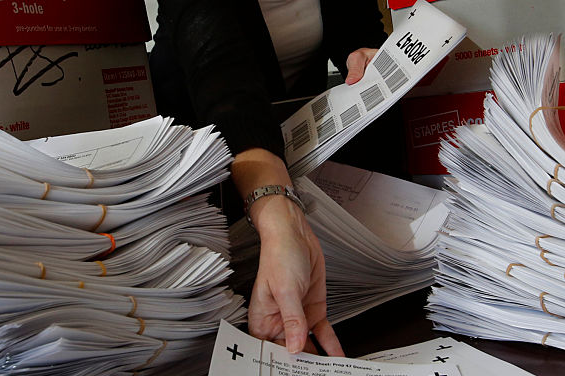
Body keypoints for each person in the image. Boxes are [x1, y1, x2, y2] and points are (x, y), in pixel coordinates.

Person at [150, 0, 389, 357]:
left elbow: (356, 30)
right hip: (199, 180)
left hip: (292, 161)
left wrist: (366, 56)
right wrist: (281, 218)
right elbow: (223, 76)